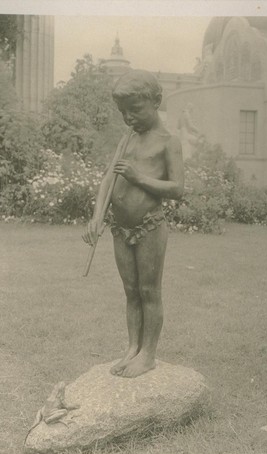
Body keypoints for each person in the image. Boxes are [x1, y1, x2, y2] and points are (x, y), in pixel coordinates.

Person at [83, 69, 184, 378]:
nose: (127, 118)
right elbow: (108, 179)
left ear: (155, 101)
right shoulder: (126, 138)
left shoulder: (168, 141)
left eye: (134, 110)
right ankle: (132, 348)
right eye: (122, 112)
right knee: (130, 291)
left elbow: (178, 188)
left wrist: (138, 177)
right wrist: (97, 214)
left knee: (149, 290)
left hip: (150, 226)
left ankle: (149, 354)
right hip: (120, 227)